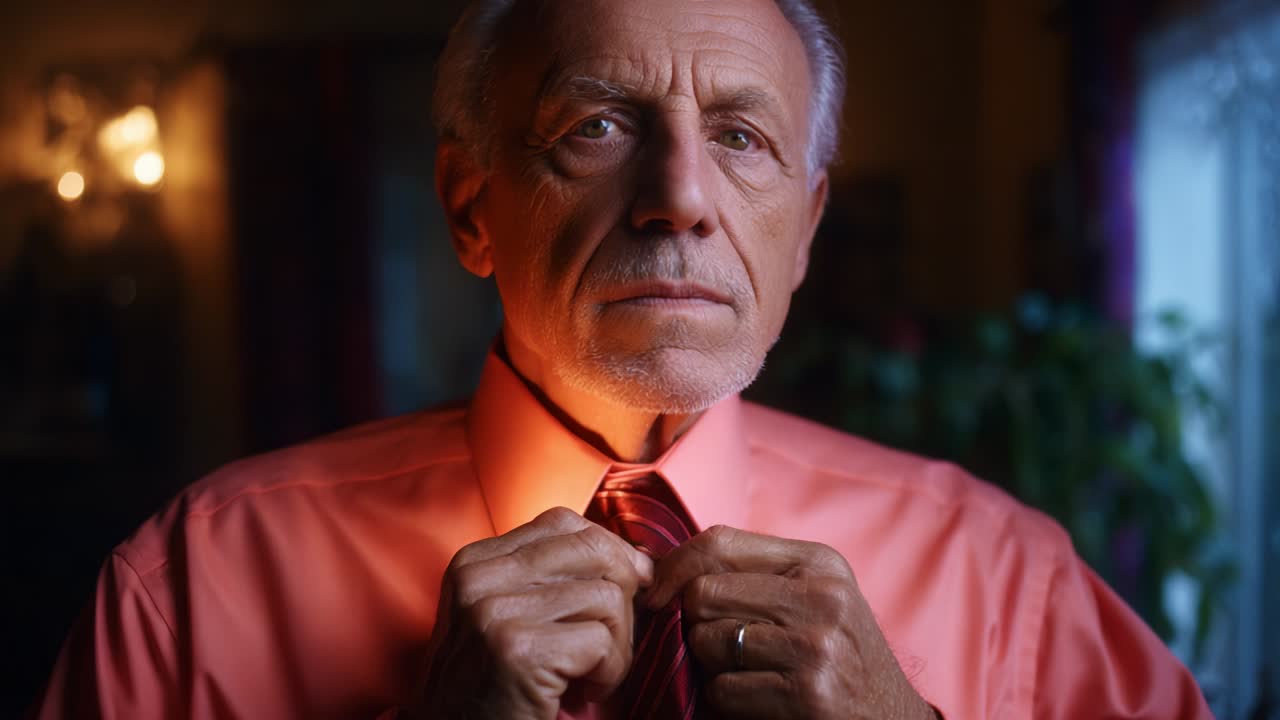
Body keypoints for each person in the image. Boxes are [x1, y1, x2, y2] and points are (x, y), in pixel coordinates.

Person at [32, 0, 1214, 718]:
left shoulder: (1008, 580)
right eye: (597, 126)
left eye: (740, 138)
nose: (679, 200)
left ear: (801, 232)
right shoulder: (195, 587)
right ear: (469, 205)